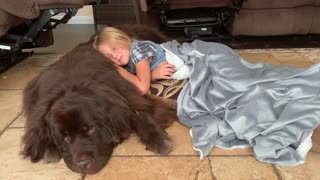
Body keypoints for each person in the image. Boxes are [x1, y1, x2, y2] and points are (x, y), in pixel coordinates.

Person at [94, 27, 175, 95]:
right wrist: (152, 75)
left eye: (114, 48)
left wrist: (118, 69)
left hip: (180, 58)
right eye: (109, 57)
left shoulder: (138, 50)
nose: (115, 56)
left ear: (122, 39)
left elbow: (143, 88)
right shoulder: (126, 63)